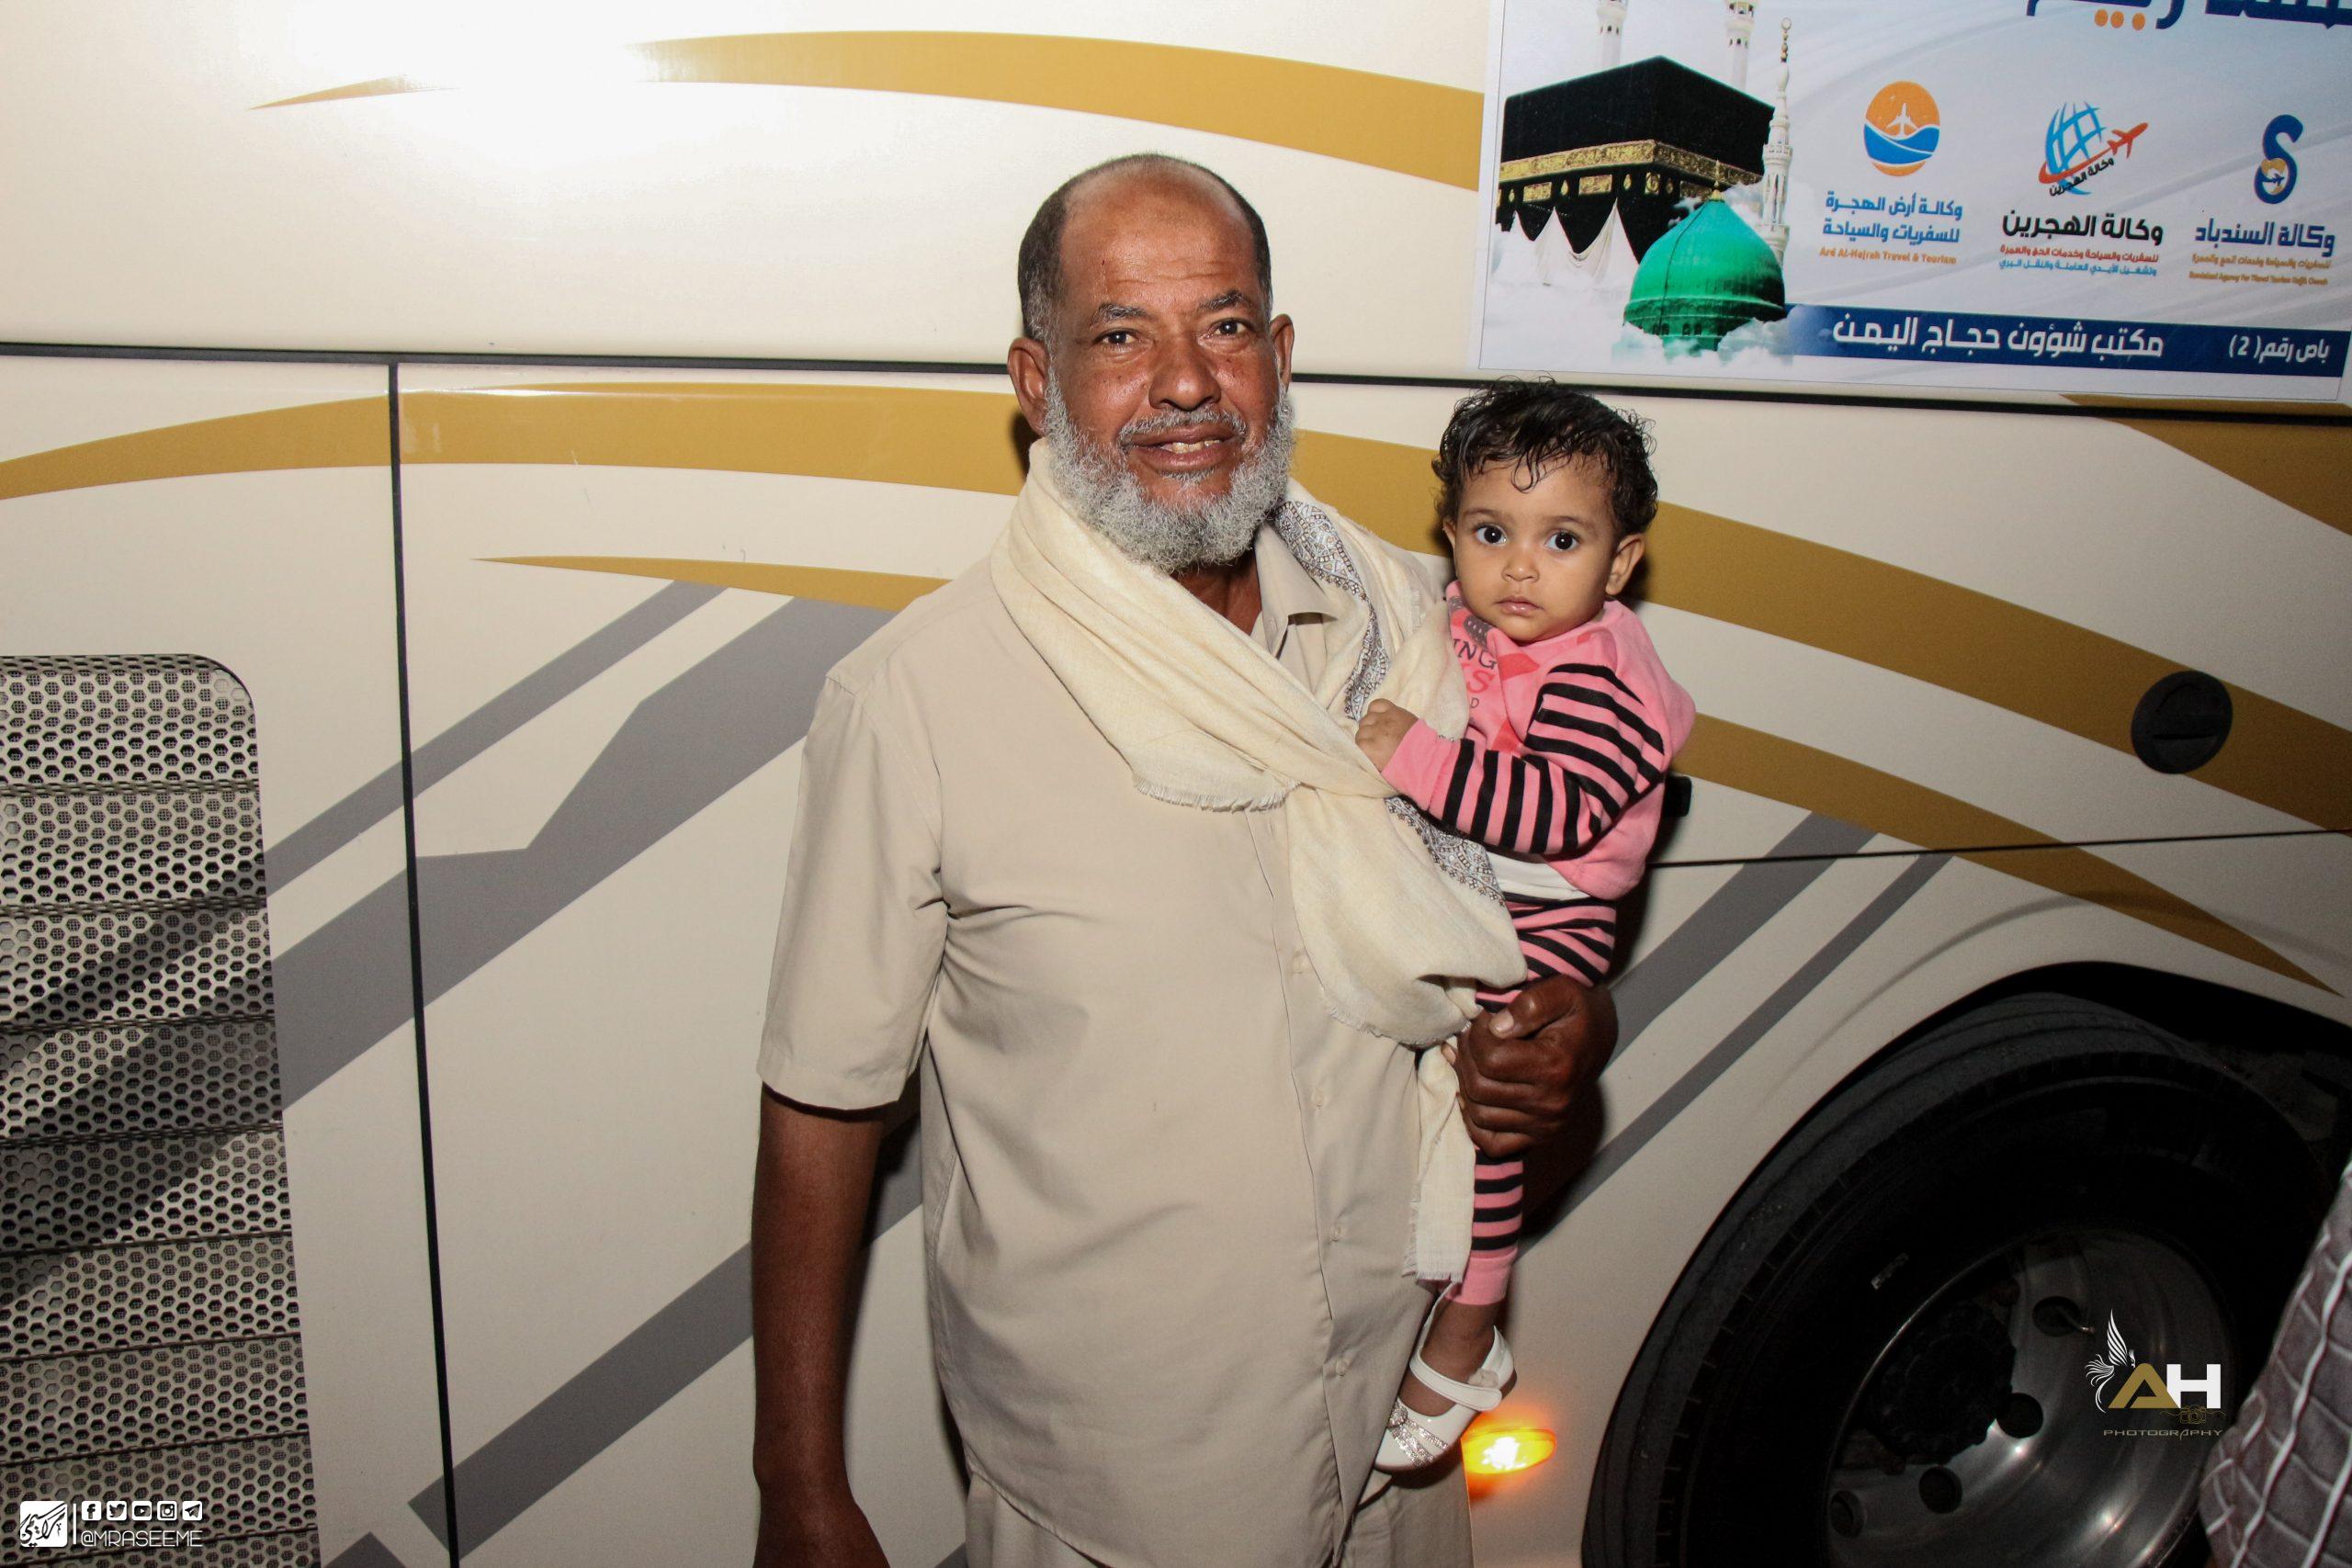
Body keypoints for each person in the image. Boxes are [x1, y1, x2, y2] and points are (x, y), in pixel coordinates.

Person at [749, 153, 1618, 1568]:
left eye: (1224, 326)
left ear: (1279, 356)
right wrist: (798, 1486)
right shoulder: (917, 700)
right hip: (1119, 1491)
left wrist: (1571, 1027)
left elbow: (1545, 904)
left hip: (1397, 1449)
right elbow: (820, 1105)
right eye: (1119, 336)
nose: (1185, 384)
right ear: (1036, 380)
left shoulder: (1414, 630)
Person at [1353, 382, 1693, 1470]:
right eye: (1491, 532)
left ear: (1620, 563)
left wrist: (1406, 753)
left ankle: (1473, 1318)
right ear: (1451, 532)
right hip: (1486, 885)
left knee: (1496, 1078)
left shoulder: (1602, 670)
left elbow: (1555, 813)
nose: (1519, 568)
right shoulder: (1468, 623)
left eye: (1562, 540)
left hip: (1557, 909)